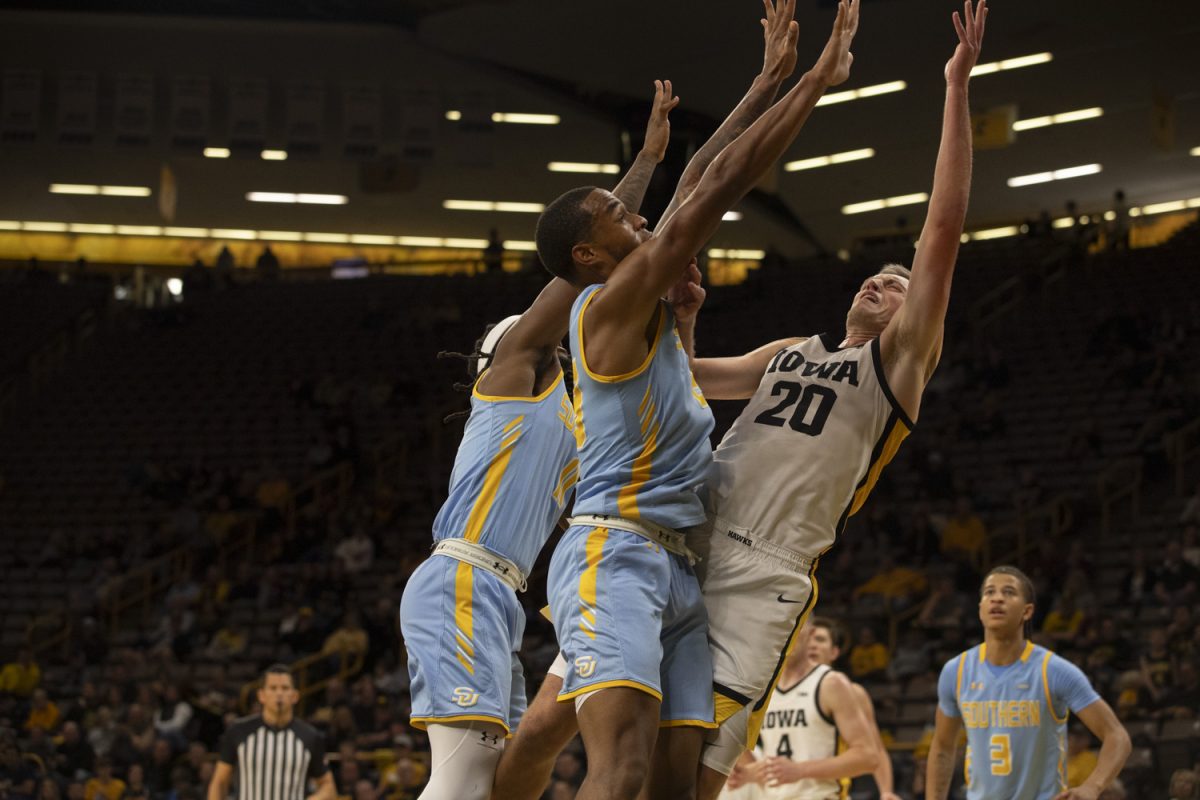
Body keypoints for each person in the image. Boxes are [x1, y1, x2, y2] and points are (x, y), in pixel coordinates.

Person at [532, 0, 859, 795]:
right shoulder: (606, 307)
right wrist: (813, 82)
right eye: (616, 214)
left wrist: (761, 84)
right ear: (588, 254)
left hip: (679, 566)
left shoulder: (662, 329)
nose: (635, 213)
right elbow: (710, 189)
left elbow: (688, 187)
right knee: (619, 763)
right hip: (615, 550)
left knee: (674, 778)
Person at [674, 4, 982, 797]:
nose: (883, 280)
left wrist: (955, 88)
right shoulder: (787, 354)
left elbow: (942, 229)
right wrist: (683, 314)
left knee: (705, 766)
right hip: (688, 530)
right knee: (631, 734)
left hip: (769, 566)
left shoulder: (898, 364)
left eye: (899, 284)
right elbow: (680, 384)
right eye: (874, 276)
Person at [398, 85, 678, 800]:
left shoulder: (573, 415)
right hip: (462, 579)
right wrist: (645, 161)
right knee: (462, 781)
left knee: (498, 785)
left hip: (501, 593)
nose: (537, 329)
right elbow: (572, 266)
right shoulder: (507, 380)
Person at [925, 566, 1131, 799]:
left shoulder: (1053, 670)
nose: (997, 598)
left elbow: (1117, 737)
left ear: (1027, 611)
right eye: (990, 592)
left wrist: (1092, 786)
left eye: (1009, 592)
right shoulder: (956, 671)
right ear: (980, 609)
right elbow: (942, 748)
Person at [723, 618, 897, 800]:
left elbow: (870, 755)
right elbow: (768, 756)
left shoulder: (835, 685)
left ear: (809, 633)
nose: (787, 634)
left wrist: (886, 791)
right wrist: (748, 773)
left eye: (794, 625)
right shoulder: (761, 689)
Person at [206, 665, 334, 800]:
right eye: (273, 688)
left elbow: (328, 787)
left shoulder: (310, 737)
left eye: (285, 688)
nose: (279, 693)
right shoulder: (238, 731)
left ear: (295, 696)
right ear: (261, 695)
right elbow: (219, 782)